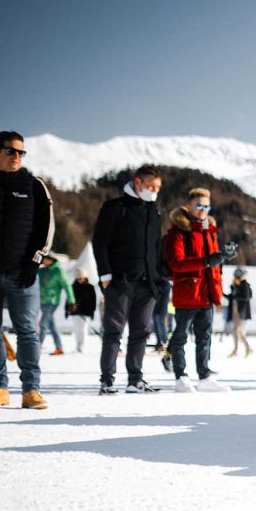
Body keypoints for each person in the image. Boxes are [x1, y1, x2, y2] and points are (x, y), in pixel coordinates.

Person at [0, 131, 53, 410]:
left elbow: (45, 227)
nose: (16, 157)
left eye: (21, 152)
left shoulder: (34, 185)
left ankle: (31, 390)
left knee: (27, 331)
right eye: (10, 151)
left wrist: (34, 262)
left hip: (21, 271)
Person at [93, 165, 164, 394]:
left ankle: (135, 379)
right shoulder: (115, 207)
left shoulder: (153, 212)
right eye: (151, 186)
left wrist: (159, 277)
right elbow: (100, 242)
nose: (154, 191)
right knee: (113, 332)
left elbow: (157, 248)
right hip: (119, 281)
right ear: (138, 182)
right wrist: (105, 275)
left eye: (157, 188)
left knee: (141, 332)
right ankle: (107, 380)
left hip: (147, 284)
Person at [164, 188, 228, 393]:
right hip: (188, 292)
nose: (203, 210)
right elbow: (176, 263)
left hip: (207, 293)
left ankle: (204, 376)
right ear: (189, 206)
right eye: (199, 205)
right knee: (181, 336)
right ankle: (180, 377)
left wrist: (221, 257)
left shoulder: (209, 230)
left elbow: (212, 263)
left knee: (204, 337)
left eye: (206, 206)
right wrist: (206, 261)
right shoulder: (178, 231)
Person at [37, 253, 72, 354]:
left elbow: (67, 286)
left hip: (52, 302)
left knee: (43, 324)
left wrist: (71, 300)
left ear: (51, 260)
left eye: (45, 259)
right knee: (51, 326)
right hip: (42, 301)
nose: (43, 260)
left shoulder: (58, 271)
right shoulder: (42, 270)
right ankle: (59, 348)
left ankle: (37, 347)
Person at [226, 268, 253, 358]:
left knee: (238, 331)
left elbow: (246, 297)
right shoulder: (235, 286)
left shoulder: (244, 285)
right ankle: (238, 349)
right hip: (235, 311)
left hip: (241, 312)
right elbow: (232, 297)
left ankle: (245, 348)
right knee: (235, 331)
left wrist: (235, 297)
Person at [69, 270, 97, 353]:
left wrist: (92, 312)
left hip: (86, 312)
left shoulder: (90, 287)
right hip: (75, 312)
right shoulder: (73, 286)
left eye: (81, 278)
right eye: (78, 279)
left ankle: (82, 345)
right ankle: (77, 345)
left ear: (85, 278)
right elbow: (69, 299)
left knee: (83, 330)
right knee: (77, 329)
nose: (79, 280)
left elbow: (93, 301)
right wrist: (68, 310)